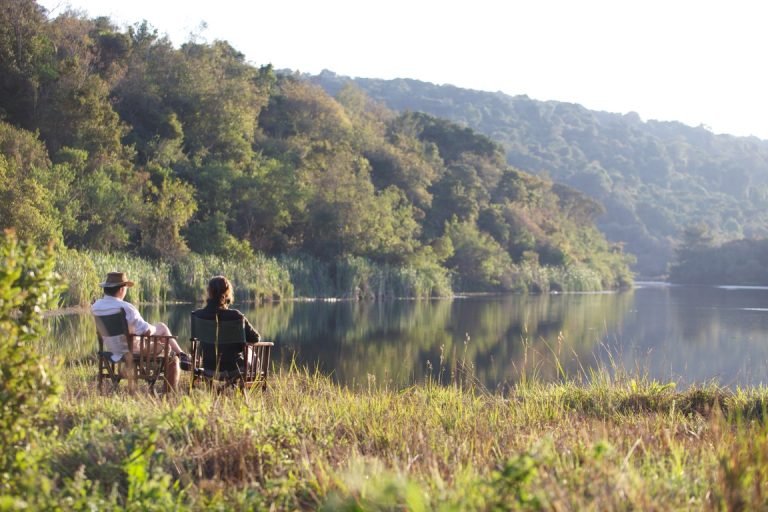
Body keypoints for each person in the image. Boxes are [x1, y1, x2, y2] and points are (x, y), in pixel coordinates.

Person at [91, 271, 191, 391]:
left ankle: (182, 355)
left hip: (112, 349)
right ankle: (169, 391)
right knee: (169, 351)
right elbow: (146, 331)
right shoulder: (126, 307)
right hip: (131, 349)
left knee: (161, 329)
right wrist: (155, 331)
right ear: (122, 289)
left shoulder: (96, 306)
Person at [191, 275, 261, 373]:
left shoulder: (198, 315)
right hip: (234, 367)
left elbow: (195, 342)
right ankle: (248, 386)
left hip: (208, 366)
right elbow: (256, 338)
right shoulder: (236, 316)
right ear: (227, 293)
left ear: (209, 292)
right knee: (251, 352)